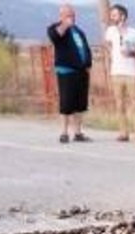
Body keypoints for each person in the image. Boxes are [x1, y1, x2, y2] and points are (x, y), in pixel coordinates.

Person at [99, 1, 135, 143]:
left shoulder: (134, 32)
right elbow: (106, 44)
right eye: (111, 15)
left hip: (131, 73)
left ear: (123, 16)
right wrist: (112, 53)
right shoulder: (110, 31)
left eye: (115, 15)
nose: (112, 17)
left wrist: (131, 52)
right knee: (119, 104)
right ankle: (123, 133)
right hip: (116, 73)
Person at [47, 4, 93, 143]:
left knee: (80, 104)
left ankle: (78, 133)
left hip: (81, 71)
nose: (71, 17)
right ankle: (64, 133)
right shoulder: (55, 28)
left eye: (73, 15)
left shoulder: (78, 31)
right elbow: (55, 37)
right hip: (66, 71)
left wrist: (88, 64)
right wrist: (65, 25)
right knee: (66, 103)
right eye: (68, 15)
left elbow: (86, 48)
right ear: (61, 16)